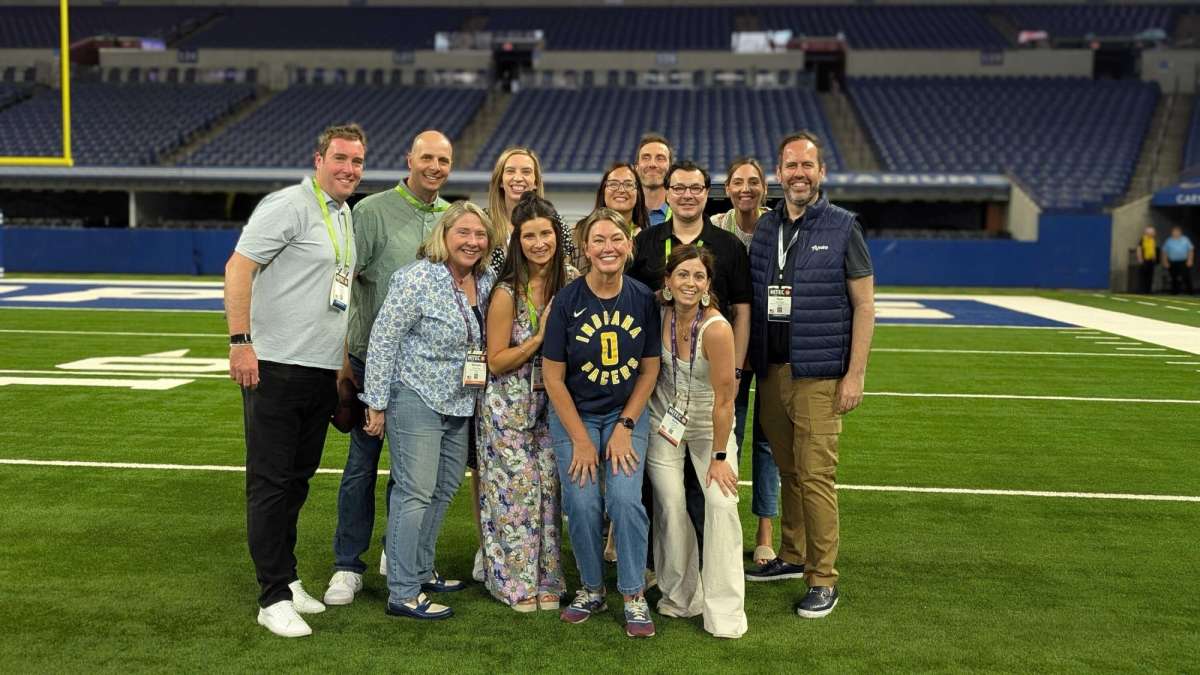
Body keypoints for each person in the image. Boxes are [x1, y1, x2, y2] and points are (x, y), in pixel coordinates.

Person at [224, 123, 366, 637]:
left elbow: (337, 297)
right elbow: (239, 268)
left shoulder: (344, 213)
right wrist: (240, 340)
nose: (349, 169)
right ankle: (271, 596)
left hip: (319, 371)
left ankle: (286, 579)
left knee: (297, 483)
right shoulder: (287, 205)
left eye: (357, 162)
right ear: (319, 159)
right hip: (275, 366)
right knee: (270, 483)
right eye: (341, 159)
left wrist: (342, 367)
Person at [746, 131, 875, 621]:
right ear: (779, 174)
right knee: (789, 470)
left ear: (820, 172)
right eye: (790, 166)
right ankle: (793, 554)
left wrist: (854, 375)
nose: (799, 174)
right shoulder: (766, 228)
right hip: (773, 372)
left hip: (819, 374)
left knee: (817, 476)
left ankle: (823, 578)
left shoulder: (844, 227)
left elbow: (865, 306)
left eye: (807, 165)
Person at [324, 129, 453, 606]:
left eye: (443, 160)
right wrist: (341, 361)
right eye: (427, 157)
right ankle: (346, 564)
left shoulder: (450, 217)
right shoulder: (371, 211)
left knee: (413, 475)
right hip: (366, 362)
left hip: (421, 374)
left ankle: (396, 556)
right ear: (409, 158)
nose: (435, 167)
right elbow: (340, 286)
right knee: (361, 466)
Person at [360, 201, 498, 620]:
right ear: (445, 234)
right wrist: (377, 403)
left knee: (443, 490)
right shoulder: (417, 277)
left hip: (460, 401)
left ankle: (421, 569)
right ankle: (402, 591)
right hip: (415, 395)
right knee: (414, 492)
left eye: (480, 235)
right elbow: (383, 340)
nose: (472, 242)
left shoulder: (487, 279)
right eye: (464, 233)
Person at [542, 208, 661, 638]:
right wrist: (580, 439)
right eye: (599, 240)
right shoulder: (568, 301)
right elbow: (552, 377)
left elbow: (649, 369)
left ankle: (632, 593)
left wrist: (627, 425)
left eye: (616, 239)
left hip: (625, 411)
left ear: (628, 245)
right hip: (576, 412)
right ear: (586, 248)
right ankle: (592, 588)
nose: (608, 248)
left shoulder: (643, 298)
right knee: (582, 500)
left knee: (627, 499)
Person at [629, 160, 751, 558]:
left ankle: (707, 564)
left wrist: (734, 371)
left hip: (714, 380)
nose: (686, 194)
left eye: (695, 188)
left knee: (712, 484)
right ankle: (661, 567)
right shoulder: (646, 242)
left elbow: (744, 310)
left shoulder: (728, 245)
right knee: (663, 490)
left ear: (707, 192)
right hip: (662, 388)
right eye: (678, 188)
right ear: (666, 192)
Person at [479, 193, 574, 612]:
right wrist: (538, 338)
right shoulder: (506, 292)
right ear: (517, 240)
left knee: (549, 494)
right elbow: (496, 361)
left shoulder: (571, 280)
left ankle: (550, 577)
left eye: (546, 233)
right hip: (507, 409)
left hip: (553, 404)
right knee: (513, 497)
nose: (539, 243)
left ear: (557, 235)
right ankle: (515, 584)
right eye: (530, 235)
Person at [646, 244, 747, 639]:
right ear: (668, 281)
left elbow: (726, 399)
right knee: (670, 505)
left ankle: (724, 611)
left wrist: (720, 457)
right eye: (683, 274)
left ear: (708, 286)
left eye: (698, 276)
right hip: (664, 420)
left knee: (721, 505)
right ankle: (682, 595)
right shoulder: (659, 314)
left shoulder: (717, 328)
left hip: (711, 425)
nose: (690, 282)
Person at [712, 156, 780, 567]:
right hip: (728, 350)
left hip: (769, 348)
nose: (746, 188)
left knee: (767, 442)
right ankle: (725, 523)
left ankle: (765, 531)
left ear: (763, 188)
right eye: (738, 181)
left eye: (753, 181)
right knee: (726, 436)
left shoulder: (777, 227)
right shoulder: (717, 227)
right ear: (727, 187)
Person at [486, 146, 576, 274]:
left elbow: (565, 269)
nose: (518, 178)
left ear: (536, 182)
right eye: (510, 171)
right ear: (500, 181)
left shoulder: (555, 221)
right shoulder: (483, 222)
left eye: (526, 172)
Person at [573, 163, 651, 271]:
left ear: (638, 193)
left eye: (628, 184)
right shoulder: (580, 232)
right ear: (603, 190)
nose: (621, 190)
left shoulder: (649, 236)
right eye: (613, 184)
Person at [635, 133, 673, 226]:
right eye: (646, 158)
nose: (652, 164)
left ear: (671, 168)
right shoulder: (620, 217)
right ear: (636, 167)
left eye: (660, 158)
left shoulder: (684, 216)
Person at [1162, 226, 1195, 295]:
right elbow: (1164, 251)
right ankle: (1174, 293)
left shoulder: (1185, 239)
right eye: (1174, 232)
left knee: (1186, 277)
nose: (1176, 233)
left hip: (1184, 262)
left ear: (1180, 232)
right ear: (1172, 233)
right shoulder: (1169, 241)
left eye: (1177, 232)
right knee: (1174, 278)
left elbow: (1191, 250)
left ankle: (1191, 293)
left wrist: (1190, 260)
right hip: (1173, 262)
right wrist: (1165, 261)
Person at [1134, 226, 1158, 294]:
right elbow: (1139, 249)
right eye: (1152, 232)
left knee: (1150, 277)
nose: (1154, 233)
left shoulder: (1153, 239)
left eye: (1153, 232)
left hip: (1151, 261)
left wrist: (1154, 258)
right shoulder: (1143, 239)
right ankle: (1141, 290)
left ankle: (1148, 291)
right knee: (1143, 277)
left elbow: (1153, 250)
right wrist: (1140, 258)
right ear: (1147, 232)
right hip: (1144, 260)